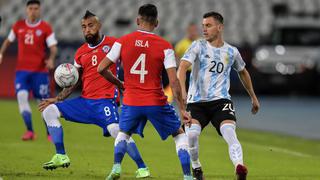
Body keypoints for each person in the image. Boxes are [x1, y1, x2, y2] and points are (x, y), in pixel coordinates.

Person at [38, 11, 150, 178]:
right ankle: (61, 155)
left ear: (99, 26)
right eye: (83, 27)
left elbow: (134, 62)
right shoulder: (80, 52)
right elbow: (73, 81)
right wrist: (57, 98)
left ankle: (142, 167)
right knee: (49, 111)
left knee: (116, 130)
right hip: (85, 102)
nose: (87, 30)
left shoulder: (114, 44)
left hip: (105, 101)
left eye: (91, 26)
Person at [98, 4, 193, 180]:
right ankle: (188, 176)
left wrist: (119, 83)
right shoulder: (165, 46)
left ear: (137, 20)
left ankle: (116, 167)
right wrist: (182, 108)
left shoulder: (122, 41)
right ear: (156, 23)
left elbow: (101, 68)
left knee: (123, 133)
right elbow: (173, 81)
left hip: (132, 101)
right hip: (156, 101)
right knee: (179, 134)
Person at [177, 11, 260, 180]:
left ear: (220, 27)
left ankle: (239, 167)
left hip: (220, 101)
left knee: (229, 131)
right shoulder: (197, 46)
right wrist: (183, 92)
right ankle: (196, 167)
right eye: (203, 26)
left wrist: (253, 96)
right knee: (191, 135)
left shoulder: (231, 51)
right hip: (196, 102)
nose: (204, 29)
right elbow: (182, 68)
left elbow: (243, 72)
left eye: (208, 25)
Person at [0, 0, 57, 141]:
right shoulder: (18, 26)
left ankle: (50, 132)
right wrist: (1, 54)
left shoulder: (45, 27)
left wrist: (51, 59)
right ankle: (30, 131)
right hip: (22, 72)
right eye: (30, 8)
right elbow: (8, 41)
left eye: (36, 8)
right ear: (26, 10)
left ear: (39, 10)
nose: (33, 11)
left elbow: (53, 47)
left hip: (40, 72)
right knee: (21, 98)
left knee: (43, 103)